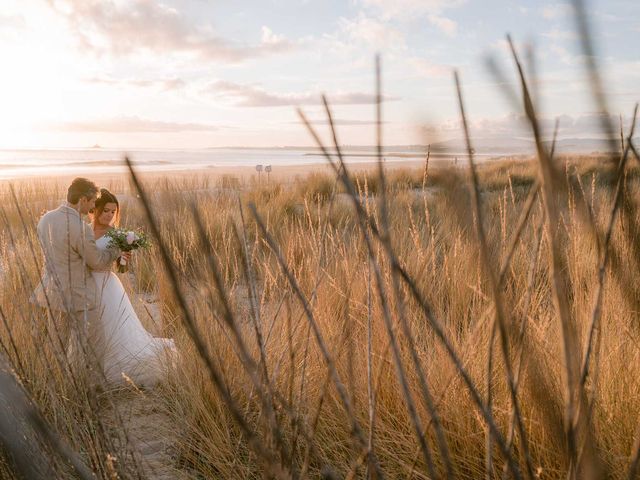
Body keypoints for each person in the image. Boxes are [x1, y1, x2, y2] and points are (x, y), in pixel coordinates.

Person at [31, 178, 127, 376]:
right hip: (78, 295)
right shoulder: (80, 228)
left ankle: (56, 383)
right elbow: (98, 262)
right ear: (83, 199)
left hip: (51, 292)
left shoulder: (45, 219)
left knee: (57, 345)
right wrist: (116, 250)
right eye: (92, 202)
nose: (93, 206)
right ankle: (92, 390)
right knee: (95, 344)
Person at [89, 188, 175, 386]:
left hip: (106, 285)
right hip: (85, 284)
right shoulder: (85, 230)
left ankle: (112, 367)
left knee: (111, 326)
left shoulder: (116, 234)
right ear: (95, 210)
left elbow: (121, 269)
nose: (110, 215)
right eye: (106, 211)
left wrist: (124, 258)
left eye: (113, 211)